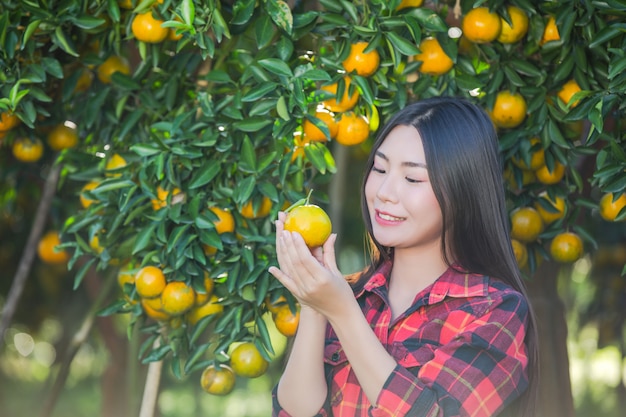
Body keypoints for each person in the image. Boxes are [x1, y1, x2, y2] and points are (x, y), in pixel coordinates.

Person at [268, 96, 539, 417]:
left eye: (412, 178)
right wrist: (313, 307)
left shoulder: (494, 311)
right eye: (380, 168)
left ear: (462, 191)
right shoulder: (349, 294)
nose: (384, 191)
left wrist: (342, 313)